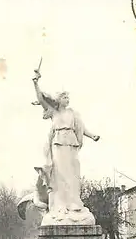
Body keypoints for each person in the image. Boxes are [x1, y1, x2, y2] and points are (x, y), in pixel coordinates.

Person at [32, 69, 100, 225]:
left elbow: (81, 128)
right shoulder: (53, 112)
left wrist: (92, 135)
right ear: (58, 99)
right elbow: (41, 98)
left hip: (71, 143)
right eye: (64, 97)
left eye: (68, 97)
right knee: (60, 175)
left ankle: (73, 204)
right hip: (58, 144)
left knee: (73, 174)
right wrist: (35, 82)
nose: (67, 99)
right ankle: (59, 205)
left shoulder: (73, 113)